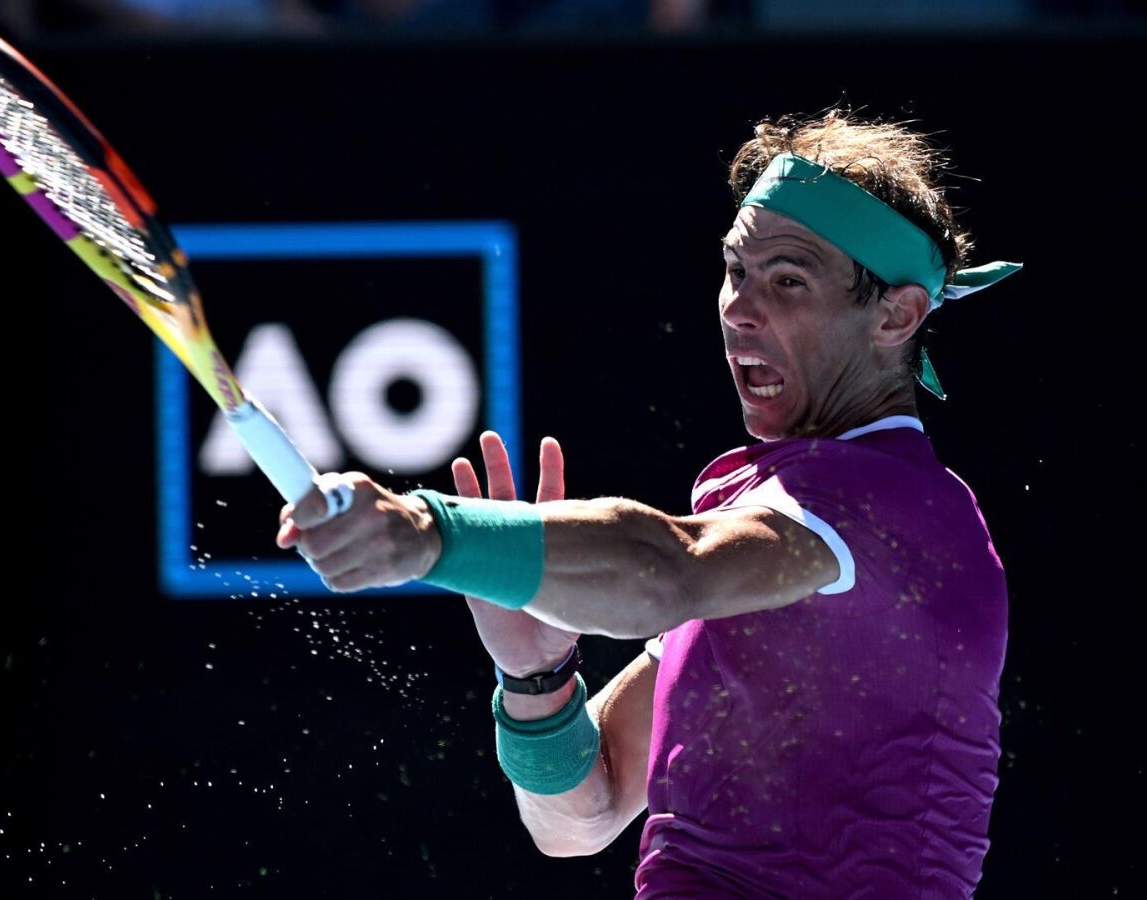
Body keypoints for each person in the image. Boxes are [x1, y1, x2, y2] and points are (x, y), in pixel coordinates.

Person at [276, 109, 1021, 897]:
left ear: (896, 315)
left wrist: (432, 531)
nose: (738, 308)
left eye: (788, 281)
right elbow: (581, 818)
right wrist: (535, 676)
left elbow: (668, 566)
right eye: (735, 270)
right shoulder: (770, 536)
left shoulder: (892, 503)